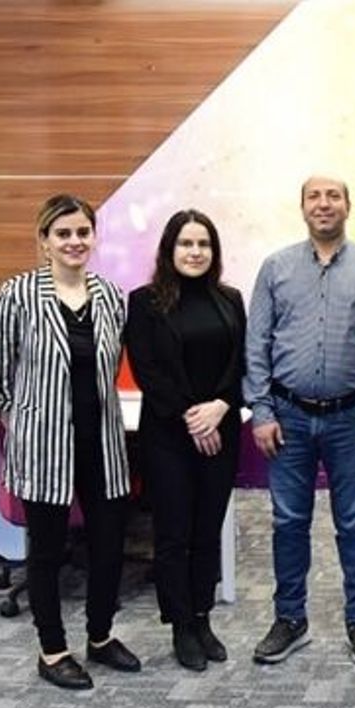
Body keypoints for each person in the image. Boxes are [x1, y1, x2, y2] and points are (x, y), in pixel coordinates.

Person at [0, 194, 140, 690]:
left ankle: (100, 636)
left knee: (109, 546)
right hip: (43, 445)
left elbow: (110, 368)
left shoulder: (111, 296)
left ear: (94, 237)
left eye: (82, 232)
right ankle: (52, 650)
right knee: (47, 552)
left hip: (102, 442)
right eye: (63, 233)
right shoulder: (18, 294)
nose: (74, 241)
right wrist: (29, 422)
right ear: (45, 240)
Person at [243, 176, 355, 666]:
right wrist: (261, 411)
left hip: (351, 418)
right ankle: (290, 619)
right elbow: (256, 344)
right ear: (303, 206)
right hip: (287, 417)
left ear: (348, 206)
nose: (324, 204)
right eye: (315, 196)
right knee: (289, 521)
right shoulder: (276, 267)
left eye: (334, 196)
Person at [125, 209, 245, 672]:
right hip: (169, 435)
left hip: (222, 430)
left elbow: (242, 363)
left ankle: (202, 617)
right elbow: (148, 370)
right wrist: (193, 418)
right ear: (169, 249)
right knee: (174, 533)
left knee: (207, 530)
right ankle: (180, 625)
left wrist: (221, 406)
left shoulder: (229, 299)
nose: (195, 252)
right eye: (186, 243)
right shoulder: (144, 302)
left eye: (204, 244)